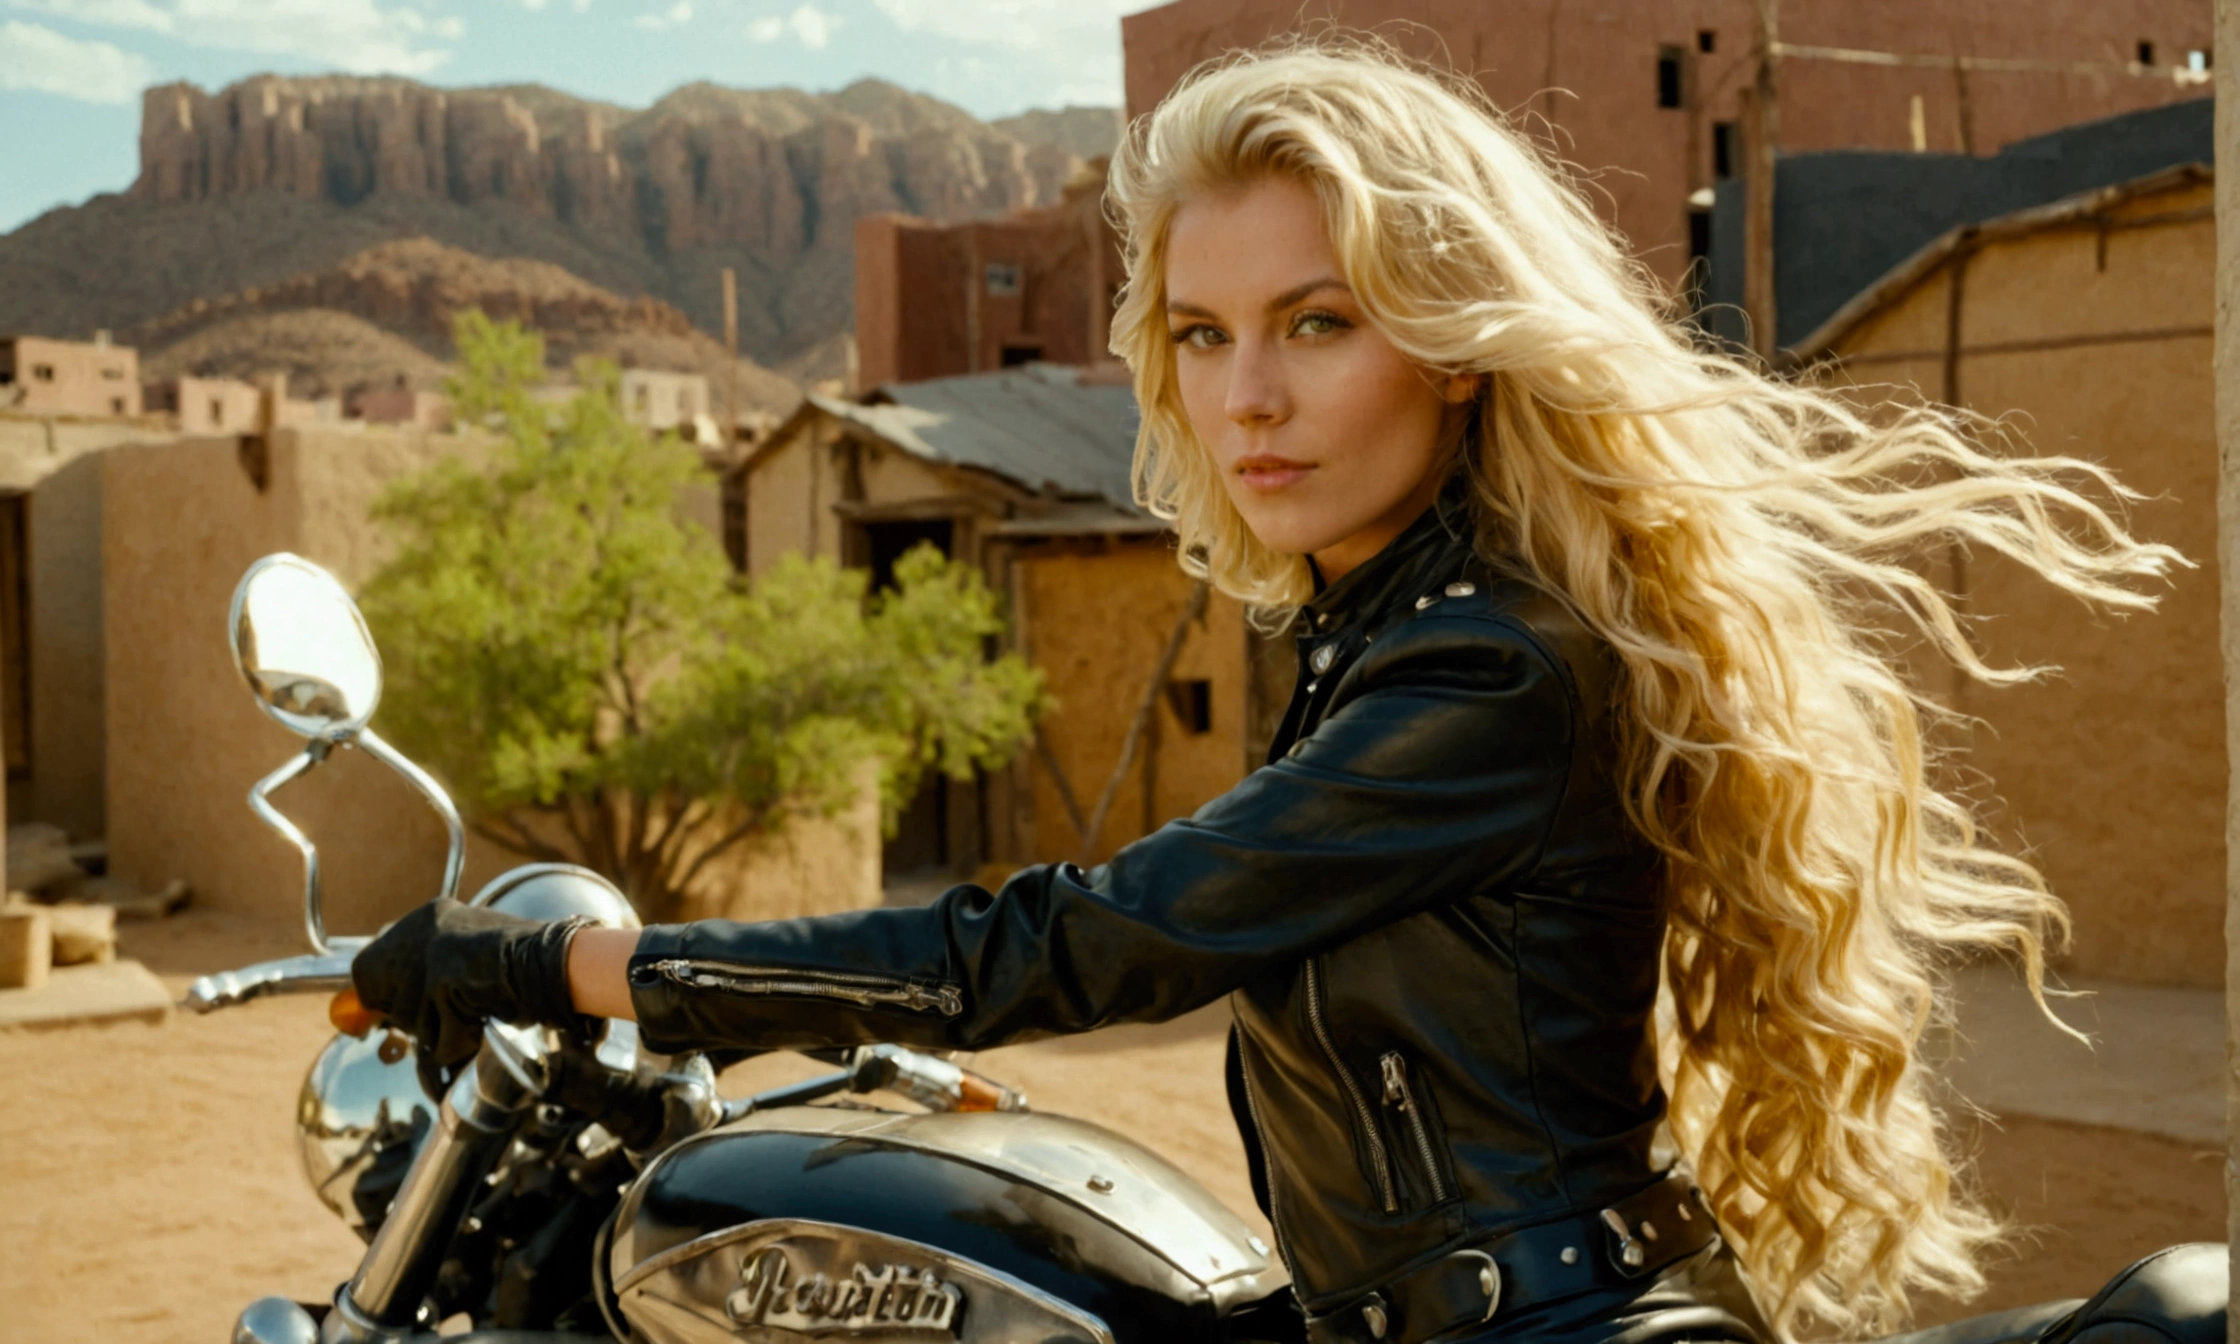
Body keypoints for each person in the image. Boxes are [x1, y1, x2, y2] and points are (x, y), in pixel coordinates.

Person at [352, 42, 2177, 1344]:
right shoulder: (1391, 624)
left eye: (1319, 321)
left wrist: (589, 967)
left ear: (1455, 344)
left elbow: (1094, 939)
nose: (1247, 403)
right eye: (1205, 337)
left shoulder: (1487, 663)